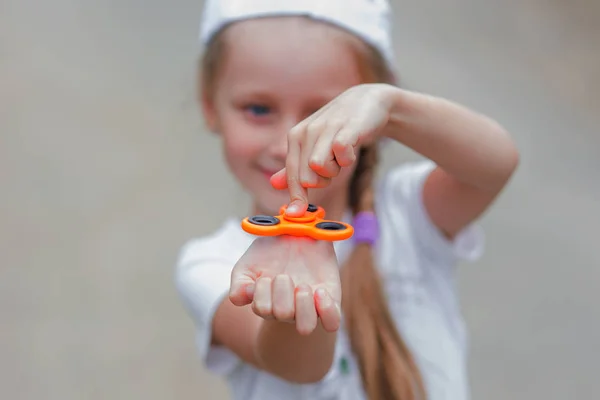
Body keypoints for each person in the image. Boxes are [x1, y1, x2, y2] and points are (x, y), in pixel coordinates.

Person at [175, 1, 519, 399]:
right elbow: (297, 367)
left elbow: (497, 163)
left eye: (324, 111)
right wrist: (302, 298)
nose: (291, 141)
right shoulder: (214, 264)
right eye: (258, 109)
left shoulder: (408, 214)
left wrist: (391, 107)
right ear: (209, 103)